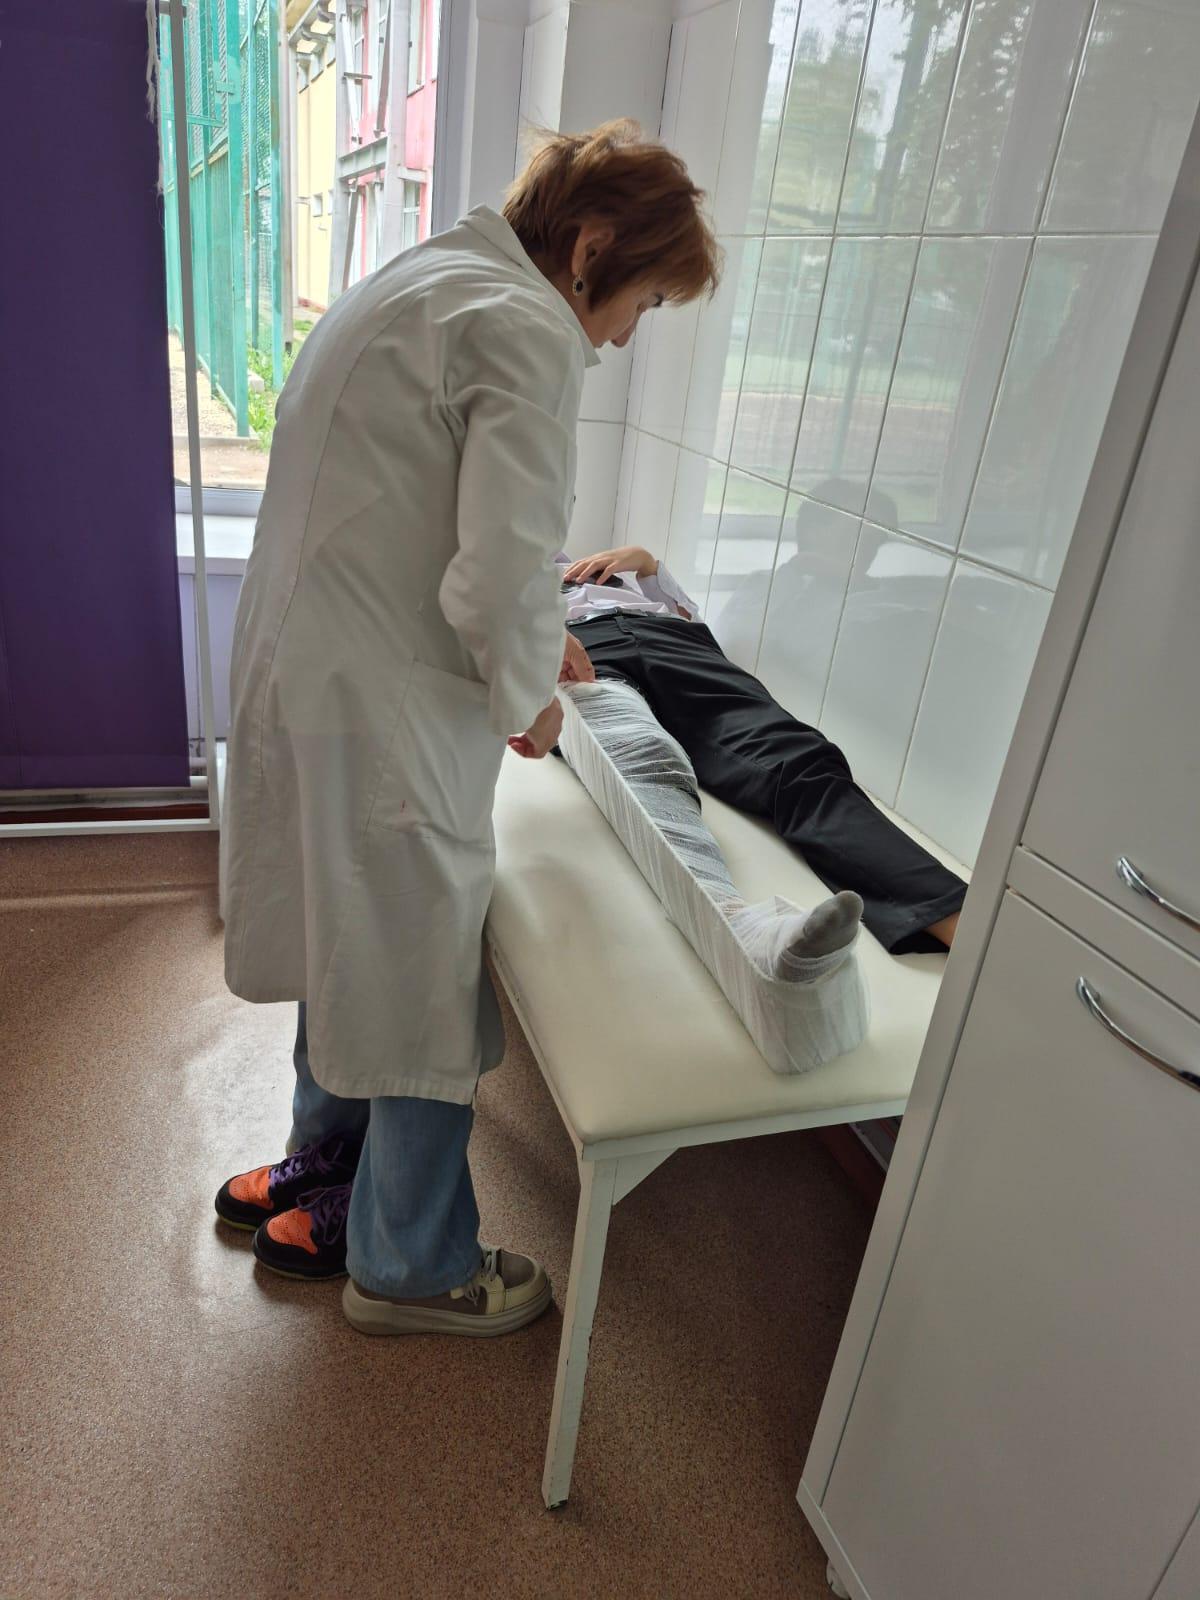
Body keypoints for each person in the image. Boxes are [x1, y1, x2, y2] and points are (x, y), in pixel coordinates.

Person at [216, 122, 720, 1329]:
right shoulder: (528, 329)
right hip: (385, 705)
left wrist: (528, 634)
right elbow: (494, 578)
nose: (623, 336)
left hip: (308, 671)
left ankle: (324, 1173)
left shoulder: (420, 277)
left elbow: (437, 518)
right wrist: (533, 700)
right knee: (418, 978)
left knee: (350, 943)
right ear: (591, 248)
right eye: (643, 301)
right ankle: (413, 1264)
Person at [556, 543, 967, 956]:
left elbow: (688, 619)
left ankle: (960, 925)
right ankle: (736, 928)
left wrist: (647, 566)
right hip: (576, 652)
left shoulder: (590, 565)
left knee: (800, 760)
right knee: (637, 756)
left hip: (674, 641)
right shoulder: (514, 571)